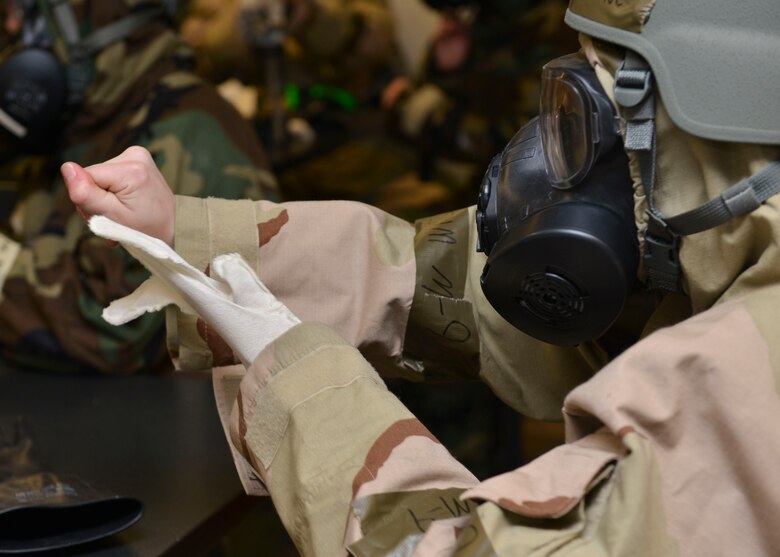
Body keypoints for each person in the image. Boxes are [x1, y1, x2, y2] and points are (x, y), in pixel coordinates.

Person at [64, 0, 780, 555]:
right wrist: (188, 240)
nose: (588, 156)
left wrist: (307, 395)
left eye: (622, 114)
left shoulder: (756, 372)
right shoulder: (725, 239)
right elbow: (452, 283)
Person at [0, 0, 278, 374]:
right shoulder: (85, 122)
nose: (13, 30)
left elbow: (116, 327)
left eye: (23, 13)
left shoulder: (189, 134)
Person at [381, 0, 579, 204]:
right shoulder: (487, 16)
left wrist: (426, 118)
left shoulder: (553, 22)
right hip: (488, 189)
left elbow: (532, 142)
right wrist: (445, 69)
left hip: (536, 201)